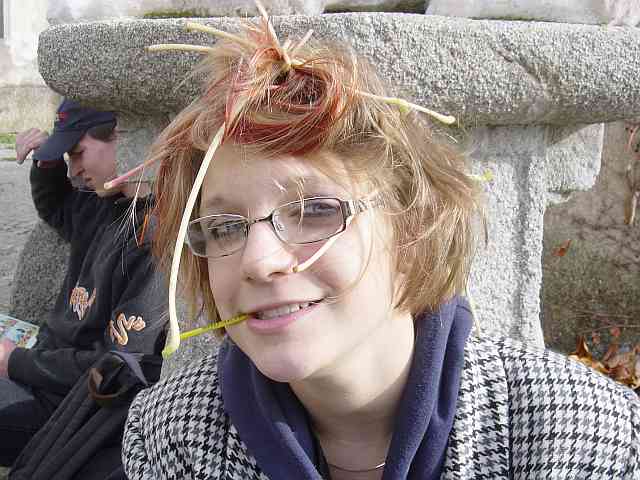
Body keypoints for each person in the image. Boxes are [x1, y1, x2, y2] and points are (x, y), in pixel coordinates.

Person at [121, 10, 640, 480]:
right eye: (225, 226)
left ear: (413, 230)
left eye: (315, 211)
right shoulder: (169, 436)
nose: (258, 260)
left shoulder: (580, 435)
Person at [0, 100, 167, 468]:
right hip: (41, 368)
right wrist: (46, 162)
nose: (73, 170)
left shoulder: (154, 241)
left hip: (64, 408)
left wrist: (14, 361)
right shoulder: (101, 203)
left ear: (121, 137)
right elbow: (57, 207)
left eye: (77, 153)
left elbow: (114, 369)